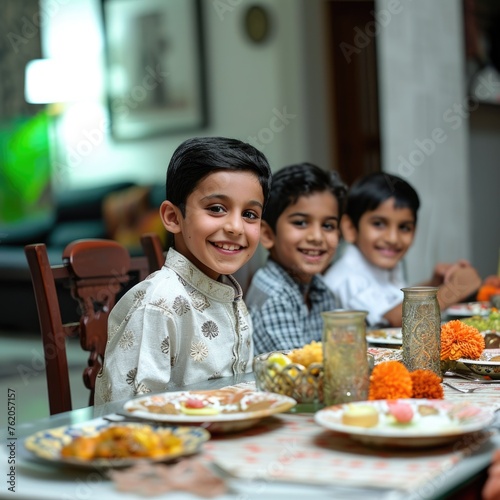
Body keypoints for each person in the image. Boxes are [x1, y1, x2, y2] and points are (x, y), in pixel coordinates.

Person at [94, 136, 272, 404]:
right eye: (216, 209)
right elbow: (133, 412)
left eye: (249, 214)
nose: (236, 227)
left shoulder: (229, 295)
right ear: (173, 217)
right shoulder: (158, 305)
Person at [323, 172, 481, 327]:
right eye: (378, 224)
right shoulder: (348, 278)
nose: (393, 238)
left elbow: (395, 303)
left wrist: (434, 284)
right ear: (350, 228)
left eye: (404, 227)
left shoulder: (382, 266)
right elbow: (393, 320)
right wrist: (454, 289)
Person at [246, 162, 347, 354]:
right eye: (300, 223)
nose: (317, 237)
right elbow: (298, 374)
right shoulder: (274, 296)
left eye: (328, 226)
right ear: (267, 235)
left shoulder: (319, 287)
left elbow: (341, 353)